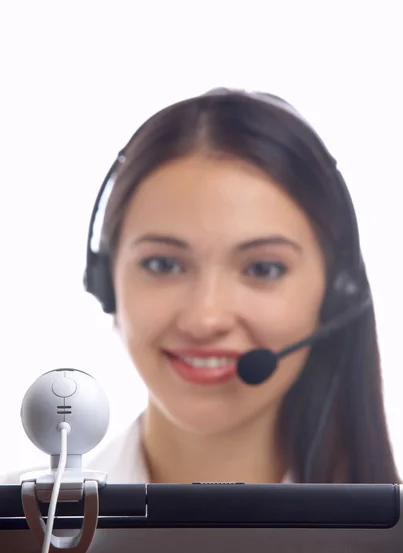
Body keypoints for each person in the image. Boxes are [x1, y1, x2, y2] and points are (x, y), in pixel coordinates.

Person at [1, 88, 399, 485]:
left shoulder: (388, 546)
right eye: (164, 264)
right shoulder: (19, 539)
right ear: (107, 280)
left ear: (335, 294)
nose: (205, 319)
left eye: (262, 269)